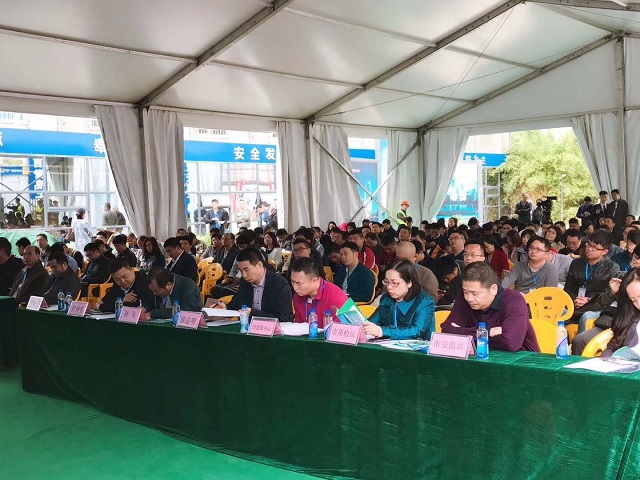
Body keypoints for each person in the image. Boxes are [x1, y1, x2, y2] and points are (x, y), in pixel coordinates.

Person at [441, 262, 540, 352]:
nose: (469, 298)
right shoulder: (464, 298)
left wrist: (464, 334)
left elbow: (510, 343)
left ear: (493, 289)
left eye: (475, 293)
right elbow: (446, 331)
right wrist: (489, 332)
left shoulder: (514, 300)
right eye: (465, 292)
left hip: (524, 362)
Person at [564, 230, 620, 333]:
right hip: (574, 302)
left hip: (596, 306)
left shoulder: (612, 267)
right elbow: (568, 287)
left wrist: (588, 300)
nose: (589, 249)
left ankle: (580, 342)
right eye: (589, 245)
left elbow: (609, 293)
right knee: (557, 310)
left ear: (604, 251)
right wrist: (575, 299)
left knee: (586, 316)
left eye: (595, 247)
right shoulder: (576, 263)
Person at [364, 259, 435, 340]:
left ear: (409, 283)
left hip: (417, 346)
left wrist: (382, 331)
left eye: (394, 283)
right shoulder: (386, 298)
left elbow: (417, 331)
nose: (389, 287)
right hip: (388, 345)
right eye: (386, 282)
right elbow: (372, 322)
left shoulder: (425, 302)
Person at [218, 247, 293, 323]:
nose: (244, 275)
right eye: (241, 271)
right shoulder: (245, 282)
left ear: (259, 265)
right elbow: (236, 304)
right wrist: (225, 308)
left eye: (246, 270)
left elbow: (282, 318)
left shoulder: (279, 284)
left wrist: (253, 313)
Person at [291, 257, 347, 327]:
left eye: (298, 283)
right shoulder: (298, 296)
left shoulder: (336, 298)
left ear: (314, 281)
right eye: (292, 282)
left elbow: (343, 330)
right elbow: (298, 327)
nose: (295, 287)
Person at [600, 268, 640, 357]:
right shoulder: (630, 316)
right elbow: (614, 344)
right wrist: (606, 360)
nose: (639, 303)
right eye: (633, 300)